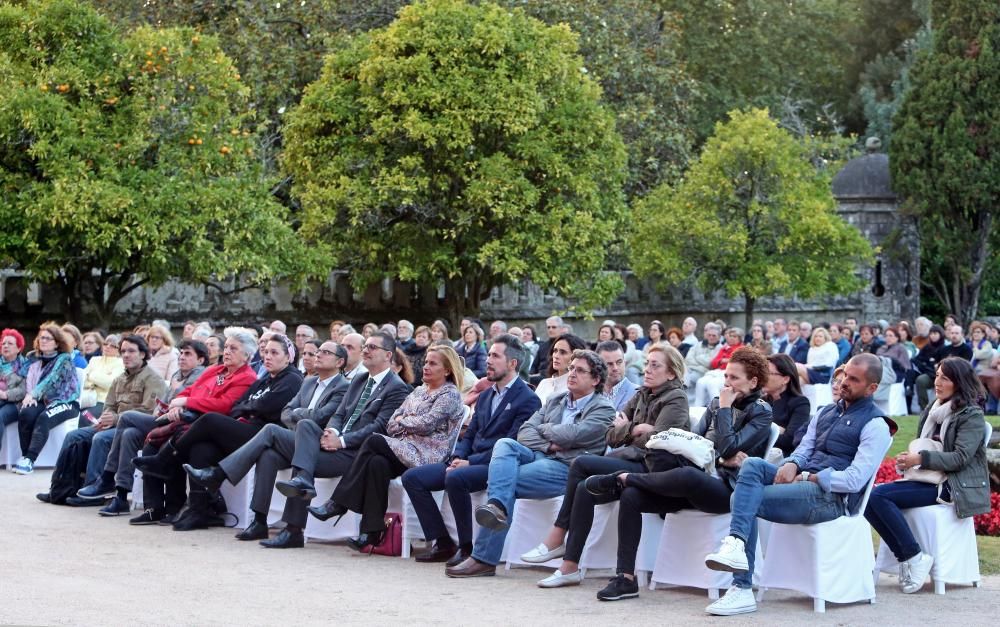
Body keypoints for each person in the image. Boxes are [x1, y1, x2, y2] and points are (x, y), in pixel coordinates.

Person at [702, 353, 894, 616]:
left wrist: (812, 477)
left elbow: (854, 479)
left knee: (742, 499)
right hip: (800, 481)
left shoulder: (876, 425)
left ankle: (741, 585)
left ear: (872, 388)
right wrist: (792, 464)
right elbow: (805, 449)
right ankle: (736, 549)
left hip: (829, 497)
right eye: (845, 375)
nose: (844, 382)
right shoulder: (826, 411)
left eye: (853, 379)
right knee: (752, 466)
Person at [584, 347, 773, 600]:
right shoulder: (716, 403)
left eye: (734, 378)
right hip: (702, 475)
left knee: (686, 477)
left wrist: (725, 412)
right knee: (631, 496)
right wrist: (721, 457)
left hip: (729, 491)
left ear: (753, 381)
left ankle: (624, 477)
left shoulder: (761, 411)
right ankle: (625, 578)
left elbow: (727, 444)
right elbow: (698, 444)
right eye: (726, 377)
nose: (727, 383)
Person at [520, 344, 689, 587]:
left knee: (580, 464)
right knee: (584, 488)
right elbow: (610, 434)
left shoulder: (676, 397)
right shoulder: (642, 394)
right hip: (633, 460)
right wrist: (635, 430)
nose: (647, 370)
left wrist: (627, 430)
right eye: (646, 364)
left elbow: (657, 440)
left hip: (656, 469)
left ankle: (557, 536)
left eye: (655, 365)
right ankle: (569, 566)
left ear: (671, 373)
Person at [225, 331, 410, 548]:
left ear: (388, 356)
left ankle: (293, 528)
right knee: (285, 444)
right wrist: (332, 432)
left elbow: (379, 428)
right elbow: (339, 415)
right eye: (365, 346)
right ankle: (267, 519)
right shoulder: (359, 380)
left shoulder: (397, 387)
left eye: (372, 347)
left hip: (355, 455)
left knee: (295, 452)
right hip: (332, 444)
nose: (366, 351)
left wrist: (341, 441)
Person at [446, 350, 615, 578]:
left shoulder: (603, 408)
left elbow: (575, 435)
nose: (572, 374)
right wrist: (551, 443)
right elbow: (524, 433)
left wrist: (546, 432)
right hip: (541, 455)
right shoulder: (556, 400)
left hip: (568, 468)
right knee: (506, 444)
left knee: (505, 482)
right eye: (571, 368)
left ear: (595, 380)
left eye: (580, 370)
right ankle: (496, 507)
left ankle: (483, 558)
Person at [182, 340, 357, 541]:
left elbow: (320, 418)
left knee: (271, 430)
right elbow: (285, 412)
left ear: (339, 362)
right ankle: (259, 521)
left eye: (325, 352)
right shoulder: (308, 382)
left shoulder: (345, 387)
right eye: (318, 351)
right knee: (268, 455)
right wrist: (301, 415)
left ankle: (219, 473)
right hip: (297, 438)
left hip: (321, 445)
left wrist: (299, 414)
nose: (317, 355)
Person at [134, 331, 297, 530]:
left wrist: (250, 407)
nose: (268, 356)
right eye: (267, 352)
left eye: (274, 353)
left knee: (208, 419)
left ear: (288, 357)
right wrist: (250, 407)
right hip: (243, 426)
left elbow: (265, 406)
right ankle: (200, 511)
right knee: (201, 449)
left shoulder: (291, 379)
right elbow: (238, 406)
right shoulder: (261, 379)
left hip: (261, 435)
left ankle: (165, 460)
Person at [311, 345, 465, 551]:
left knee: (374, 440)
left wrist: (405, 420)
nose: (426, 366)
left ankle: (339, 503)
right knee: (377, 463)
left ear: (446, 370)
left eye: (433, 363)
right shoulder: (419, 390)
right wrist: (406, 421)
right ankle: (371, 531)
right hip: (404, 449)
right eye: (426, 362)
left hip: (428, 455)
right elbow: (392, 422)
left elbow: (427, 423)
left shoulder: (449, 394)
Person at [402, 335, 540, 564]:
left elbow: (513, 442)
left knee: (456, 478)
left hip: (496, 465)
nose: (488, 360)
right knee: (413, 478)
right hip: (468, 460)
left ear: (513, 363)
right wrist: (458, 456)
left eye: (495, 356)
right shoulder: (485, 396)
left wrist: (470, 462)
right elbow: (470, 434)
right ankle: (442, 541)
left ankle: (466, 548)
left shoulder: (528, 399)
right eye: (488, 355)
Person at [865, 357, 990, 594]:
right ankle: (911, 557)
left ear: (959, 382)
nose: (937, 382)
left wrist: (921, 459)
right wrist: (909, 459)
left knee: (877, 497)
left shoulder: (971, 414)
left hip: (953, 484)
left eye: (945, 377)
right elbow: (925, 445)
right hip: (927, 478)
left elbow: (961, 457)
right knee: (872, 497)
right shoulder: (933, 409)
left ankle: (912, 557)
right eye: (937, 375)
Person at [75, 340, 209, 518]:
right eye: (181, 353)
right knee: (129, 434)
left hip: (178, 425)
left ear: (200, 360)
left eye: (188, 354)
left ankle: (107, 478)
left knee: (126, 417)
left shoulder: (201, 374)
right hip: (162, 421)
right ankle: (122, 497)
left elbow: (190, 401)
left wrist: (178, 391)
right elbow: (165, 404)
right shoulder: (178, 374)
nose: (182, 357)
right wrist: (161, 406)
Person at [36, 335, 166, 510]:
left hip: (134, 429)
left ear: (143, 354)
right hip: (113, 426)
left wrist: (116, 418)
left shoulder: (153, 379)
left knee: (101, 438)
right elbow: (109, 406)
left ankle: (96, 489)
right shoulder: (119, 379)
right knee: (73, 436)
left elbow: (150, 412)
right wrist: (106, 418)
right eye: (123, 352)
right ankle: (59, 488)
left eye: (131, 351)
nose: (126, 355)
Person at [12, 323, 80, 475]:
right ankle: (24, 456)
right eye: (41, 338)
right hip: (43, 400)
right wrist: (30, 396)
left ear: (57, 343)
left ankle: (30, 459)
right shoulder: (35, 358)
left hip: (66, 402)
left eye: (48, 338)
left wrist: (32, 395)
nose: (43, 341)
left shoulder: (64, 358)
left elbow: (51, 379)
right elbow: (24, 374)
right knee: (26, 413)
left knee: (44, 418)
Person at [914, 325, 972, 410]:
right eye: (952, 333)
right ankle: (925, 409)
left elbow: (964, 367)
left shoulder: (966, 349)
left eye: (956, 333)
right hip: (938, 375)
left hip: (957, 377)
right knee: (921, 380)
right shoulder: (944, 349)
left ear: (962, 334)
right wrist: (935, 366)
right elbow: (934, 362)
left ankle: (956, 407)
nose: (954, 335)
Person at [764, 354, 810, 457]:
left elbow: (790, 441)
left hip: (778, 459)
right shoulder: (761, 401)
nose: (763, 376)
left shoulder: (800, 403)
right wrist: (776, 430)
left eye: (768, 373)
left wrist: (760, 428)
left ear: (785, 379)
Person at [694, 327, 743, 406]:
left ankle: (718, 408)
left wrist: (724, 361)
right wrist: (722, 361)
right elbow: (713, 363)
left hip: (730, 375)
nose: (732, 338)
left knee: (712, 384)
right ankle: (697, 408)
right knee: (700, 382)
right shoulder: (724, 348)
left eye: (735, 336)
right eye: (730, 336)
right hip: (718, 372)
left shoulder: (741, 349)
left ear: (740, 338)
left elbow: (736, 364)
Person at [534, 334, 588, 405]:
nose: (556, 356)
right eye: (555, 351)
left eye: (563, 352)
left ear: (576, 357)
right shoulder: (544, 383)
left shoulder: (576, 389)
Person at [77, 334, 124, 417]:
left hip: (103, 402)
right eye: (106, 344)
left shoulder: (120, 363)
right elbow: (82, 380)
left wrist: (91, 375)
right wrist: (100, 380)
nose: (108, 347)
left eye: (113, 346)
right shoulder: (94, 360)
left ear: (119, 349)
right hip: (85, 398)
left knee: (83, 419)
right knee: (71, 415)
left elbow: (110, 384)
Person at [0, 329, 28, 452]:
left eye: (10, 344)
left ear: (19, 348)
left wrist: (5, 394)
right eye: (3, 343)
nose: (5, 346)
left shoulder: (25, 366)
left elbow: (23, 390)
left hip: (15, 404)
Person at [683, 322, 722, 405]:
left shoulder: (720, 348)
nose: (711, 337)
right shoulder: (698, 345)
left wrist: (697, 357)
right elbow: (688, 359)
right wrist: (701, 360)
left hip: (704, 372)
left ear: (718, 337)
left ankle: (692, 404)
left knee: (689, 379)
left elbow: (710, 363)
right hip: (690, 369)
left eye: (714, 335)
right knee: (682, 376)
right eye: (709, 335)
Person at [597, 341, 639, 412]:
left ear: (624, 362)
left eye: (619, 362)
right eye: (609, 364)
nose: (615, 368)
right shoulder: (589, 392)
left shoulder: (638, 393)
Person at [529, 316, 565, 384]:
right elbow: (534, 367)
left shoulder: (567, 346)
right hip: (538, 379)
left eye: (554, 327)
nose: (550, 330)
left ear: (561, 329)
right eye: (548, 327)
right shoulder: (543, 346)